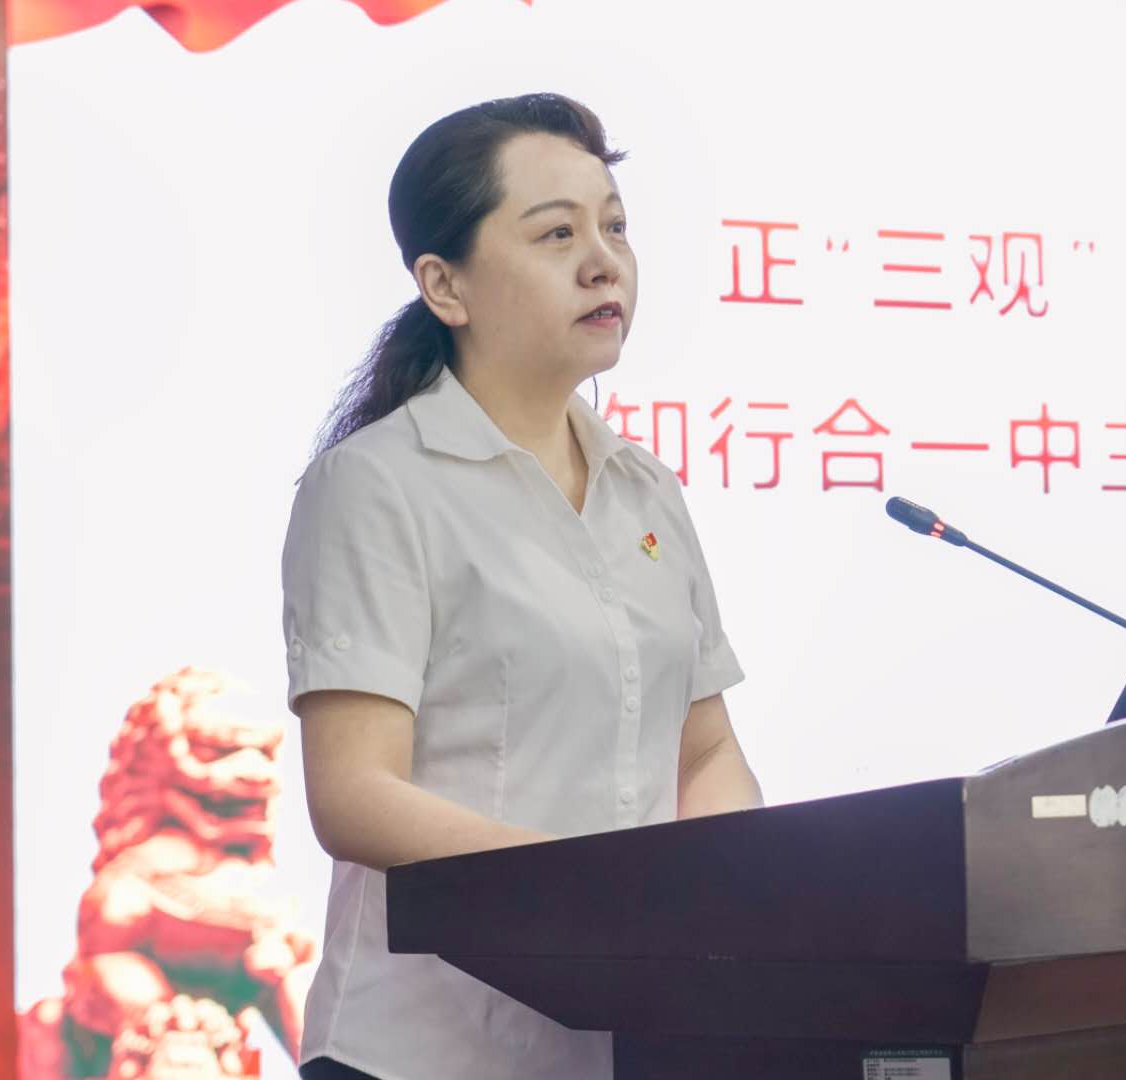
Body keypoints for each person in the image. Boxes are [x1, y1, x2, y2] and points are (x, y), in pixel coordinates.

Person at [279, 93, 763, 1080]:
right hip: (420, 1052)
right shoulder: (378, 484)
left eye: (615, 227)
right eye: (556, 234)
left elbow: (705, 749)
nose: (604, 261)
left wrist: (729, 910)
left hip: (620, 1045)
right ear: (444, 285)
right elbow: (355, 792)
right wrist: (581, 895)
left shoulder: (646, 489)